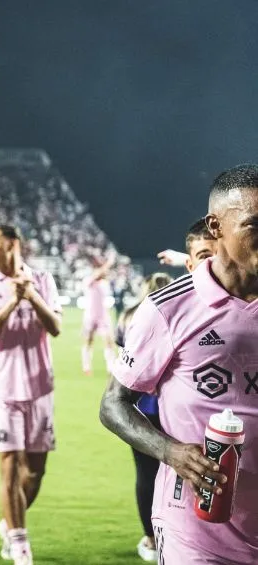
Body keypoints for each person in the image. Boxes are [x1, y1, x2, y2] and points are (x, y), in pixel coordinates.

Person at [100, 164, 258, 565]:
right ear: (216, 225)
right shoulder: (168, 308)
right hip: (195, 529)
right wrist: (171, 452)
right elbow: (113, 404)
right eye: (254, 225)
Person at [0, 225, 62, 565]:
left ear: (12, 244)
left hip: (39, 388)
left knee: (35, 472)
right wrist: (12, 302)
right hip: (3, 389)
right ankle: (21, 545)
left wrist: (31, 295)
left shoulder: (44, 280)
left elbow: (56, 327)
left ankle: (9, 524)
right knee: (8, 467)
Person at [115, 272, 173, 563]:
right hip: (171, 407)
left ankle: (150, 539)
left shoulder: (129, 316)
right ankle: (173, 535)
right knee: (177, 475)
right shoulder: (176, 311)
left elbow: (124, 360)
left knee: (146, 475)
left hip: (140, 406)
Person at [81, 253, 118, 375]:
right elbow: (98, 273)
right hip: (91, 316)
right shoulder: (89, 280)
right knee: (88, 340)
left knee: (109, 341)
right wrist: (109, 263)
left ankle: (110, 367)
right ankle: (86, 366)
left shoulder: (104, 283)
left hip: (103, 315)